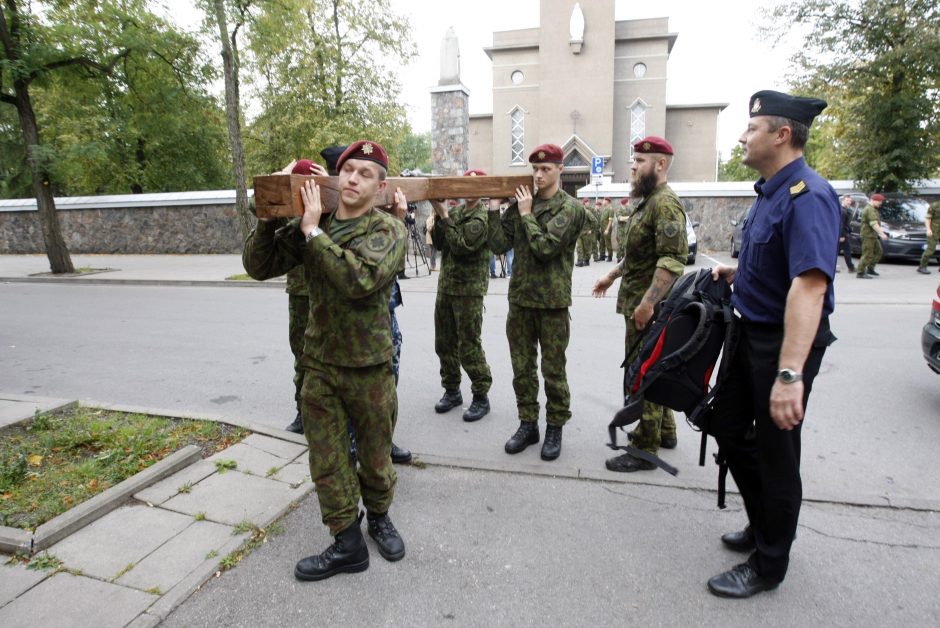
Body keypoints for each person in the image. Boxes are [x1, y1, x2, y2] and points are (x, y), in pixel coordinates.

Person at [243, 140, 408, 581]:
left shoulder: (388, 231)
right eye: (348, 170)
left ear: (381, 186)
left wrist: (313, 233)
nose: (353, 178)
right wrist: (269, 219)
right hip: (320, 365)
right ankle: (347, 542)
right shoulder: (313, 223)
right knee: (328, 460)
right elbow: (258, 267)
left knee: (374, 458)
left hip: (369, 367)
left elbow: (359, 279)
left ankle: (379, 517)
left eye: (365, 173)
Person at [705, 90, 839, 598]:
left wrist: (790, 374)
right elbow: (779, 262)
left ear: (781, 135)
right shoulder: (771, 192)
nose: (742, 136)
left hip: (783, 344)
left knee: (777, 453)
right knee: (728, 425)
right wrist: (739, 270)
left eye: (751, 128)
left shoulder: (810, 194)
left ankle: (769, 564)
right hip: (750, 330)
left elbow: (810, 285)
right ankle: (764, 523)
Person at [591, 136, 687, 472]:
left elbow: (672, 260)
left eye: (640, 161)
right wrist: (612, 276)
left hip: (649, 310)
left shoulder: (664, 204)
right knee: (654, 370)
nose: (633, 166)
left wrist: (648, 304)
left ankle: (645, 447)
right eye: (633, 160)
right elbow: (638, 255)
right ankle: (666, 430)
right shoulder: (648, 202)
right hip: (640, 303)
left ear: (660, 165)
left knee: (642, 375)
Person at [487, 143, 586, 461]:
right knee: (522, 369)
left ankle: (555, 426)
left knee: (553, 371)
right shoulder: (520, 204)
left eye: (546, 168)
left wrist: (527, 215)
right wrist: (493, 209)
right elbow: (498, 245)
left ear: (560, 169)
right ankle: (528, 424)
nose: (539, 174)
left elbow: (545, 248)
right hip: (521, 301)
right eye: (535, 169)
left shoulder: (570, 208)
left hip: (552, 303)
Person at [429, 169, 494, 422]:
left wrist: (444, 215)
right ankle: (452, 390)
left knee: (468, 344)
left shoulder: (481, 218)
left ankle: (480, 395)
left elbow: (460, 246)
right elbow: (440, 243)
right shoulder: (456, 213)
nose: (467, 189)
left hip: (469, 291)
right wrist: (439, 212)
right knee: (444, 342)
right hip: (446, 287)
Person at [857, 193, 887, 278]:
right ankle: (860, 272)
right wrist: (882, 234)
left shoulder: (873, 209)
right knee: (867, 254)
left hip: (872, 235)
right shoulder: (869, 209)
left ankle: (870, 268)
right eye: (879, 201)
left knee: (879, 252)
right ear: (873, 200)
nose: (880, 203)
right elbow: (874, 224)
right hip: (868, 235)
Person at [918, 199, 940, 274]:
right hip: (934, 231)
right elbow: (928, 218)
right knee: (931, 249)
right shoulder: (934, 206)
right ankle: (922, 267)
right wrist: (928, 229)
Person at [576, 197, 597, 267]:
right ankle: (580, 260)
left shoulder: (587, 212)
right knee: (579, 247)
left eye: (588, 202)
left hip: (586, 233)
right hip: (579, 233)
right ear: (584, 204)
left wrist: (591, 230)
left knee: (587, 247)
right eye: (587, 202)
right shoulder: (578, 212)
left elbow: (594, 221)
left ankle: (587, 260)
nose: (588, 203)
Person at [837, 195, 856, 273]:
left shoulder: (846, 210)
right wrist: (841, 236)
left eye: (850, 201)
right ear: (843, 201)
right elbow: (840, 224)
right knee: (844, 251)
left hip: (845, 233)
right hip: (842, 234)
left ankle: (850, 267)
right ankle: (850, 267)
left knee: (845, 251)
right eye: (847, 200)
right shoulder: (842, 211)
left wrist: (850, 231)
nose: (849, 202)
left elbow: (846, 223)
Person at [614, 197, 631, 262]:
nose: (629, 203)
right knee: (620, 243)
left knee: (625, 243)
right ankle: (619, 257)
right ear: (625, 203)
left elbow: (633, 215)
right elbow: (620, 218)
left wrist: (627, 218)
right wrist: (628, 217)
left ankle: (624, 257)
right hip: (620, 230)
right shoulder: (619, 209)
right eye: (628, 202)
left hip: (626, 229)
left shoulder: (628, 209)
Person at [601, 197, 615, 261]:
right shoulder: (604, 209)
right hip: (602, 228)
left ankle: (610, 256)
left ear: (607, 201)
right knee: (602, 242)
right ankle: (602, 256)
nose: (603, 202)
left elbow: (610, 221)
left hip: (607, 228)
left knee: (607, 242)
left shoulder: (610, 209)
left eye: (604, 200)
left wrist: (607, 229)